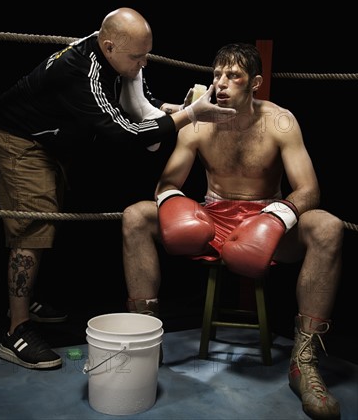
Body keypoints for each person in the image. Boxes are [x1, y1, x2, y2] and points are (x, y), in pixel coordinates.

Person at [0, 7, 237, 371]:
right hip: (21, 140)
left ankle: (27, 302)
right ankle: (16, 330)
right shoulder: (81, 70)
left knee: (46, 223)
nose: (142, 64)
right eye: (137, 57)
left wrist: (177, 109)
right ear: (108, 46)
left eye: (146, 55)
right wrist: (190, 116)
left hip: (51, 144)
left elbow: (142, 108)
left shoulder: (121, 63)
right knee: (31, 228)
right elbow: (123, 134)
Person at [122, 43, 343, 420]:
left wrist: (274, 218)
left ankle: (304, 363)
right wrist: (177, 209)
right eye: (217, 75)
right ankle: (145, 343)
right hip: (212, 222)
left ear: (255, 83)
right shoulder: (198, 122)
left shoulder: (280, 122)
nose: (221, 84)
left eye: (233, 76)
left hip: (267, 224)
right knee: (135, 216)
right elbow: (166, 184)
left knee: (328, 227)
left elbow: (309, 190)